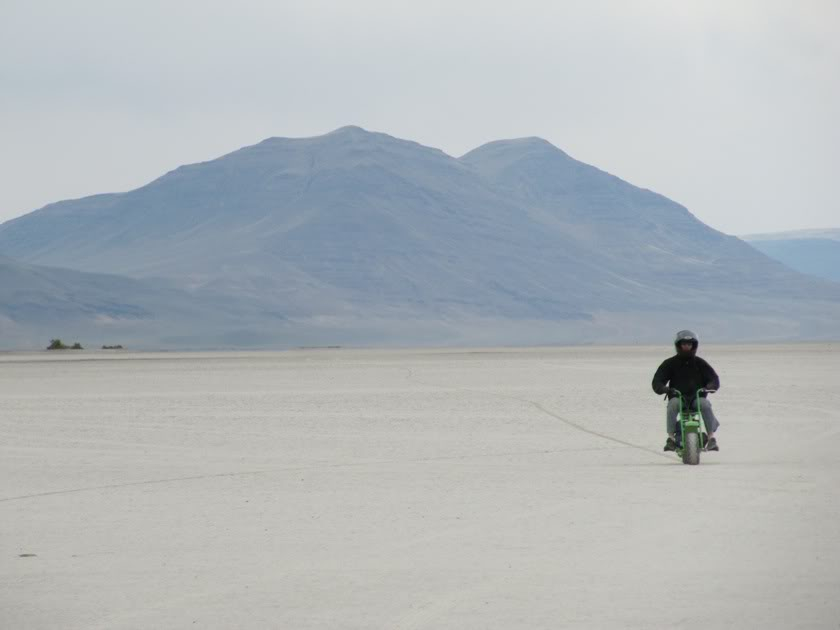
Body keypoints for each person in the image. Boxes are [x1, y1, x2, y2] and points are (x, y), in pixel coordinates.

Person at [652, 330, 721, 452]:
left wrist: (709, 387)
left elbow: (713, 379)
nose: (686, 347)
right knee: (672, 404)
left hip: (697, 398)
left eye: (689, 344)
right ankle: (671, 439)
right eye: (684, 344)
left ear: (694, 345)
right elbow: (657, 381)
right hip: (678, 397)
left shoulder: (700, 363)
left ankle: (711, 438)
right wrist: (665, 389)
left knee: (705, 404)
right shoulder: (670, 363)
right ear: (678, 345)